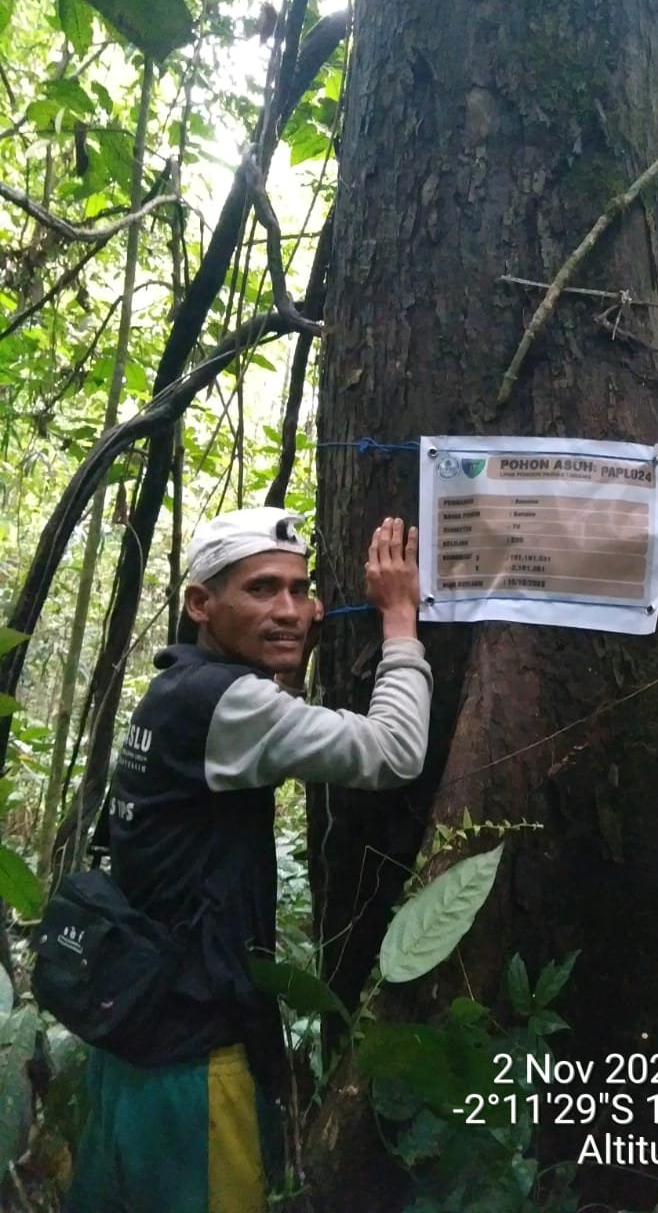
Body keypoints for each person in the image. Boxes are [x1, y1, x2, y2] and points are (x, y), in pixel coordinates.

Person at [65, 507, 432, 1213]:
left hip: (137, 1036)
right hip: (195, 1059)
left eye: (299, 590)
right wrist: (398, 620)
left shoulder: (180, 687)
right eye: (261, 590)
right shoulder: (225, 702)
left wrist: (286, 651)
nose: (289, 610)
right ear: (201, 603)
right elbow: (394, 752)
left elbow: (262, 728)